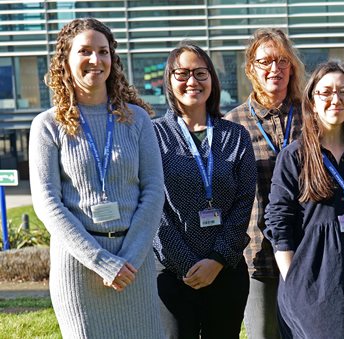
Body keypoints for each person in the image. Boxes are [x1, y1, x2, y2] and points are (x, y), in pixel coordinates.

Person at [29, 18, 165, 338]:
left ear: (112, 60)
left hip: (135, 266)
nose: (95, 60)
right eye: (85, 51)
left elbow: (153, 190)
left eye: (103, 52)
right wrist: (102, 262)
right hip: (79, 268)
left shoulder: (138, 120)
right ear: (65, 61)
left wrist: (129, 259)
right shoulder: (47, 126)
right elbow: (48, 202)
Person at [265, 61, 344, 338]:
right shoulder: (294, 156)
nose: (336, 99)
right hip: (314, 279)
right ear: (312, 99)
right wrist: (295, 278)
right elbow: (279, 221)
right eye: (326, 92)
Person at [153, 42, 257, 338]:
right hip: (173, 274)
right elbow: (152, 207)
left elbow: (243, 204)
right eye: (182, 73)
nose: (192, 81)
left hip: (226, 271)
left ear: (212, 79)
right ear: (169, 81)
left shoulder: (236, 136)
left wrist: (217, 261)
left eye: (201, 73)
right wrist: (186, 264)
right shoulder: (152, 135)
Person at [224, 27, 305, 339]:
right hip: (257, 257)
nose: (276, 69)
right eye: (266, 61)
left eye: (283, 61)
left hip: (307, 251)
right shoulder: (233, 124)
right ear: (251, 69)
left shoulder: (311, 117)